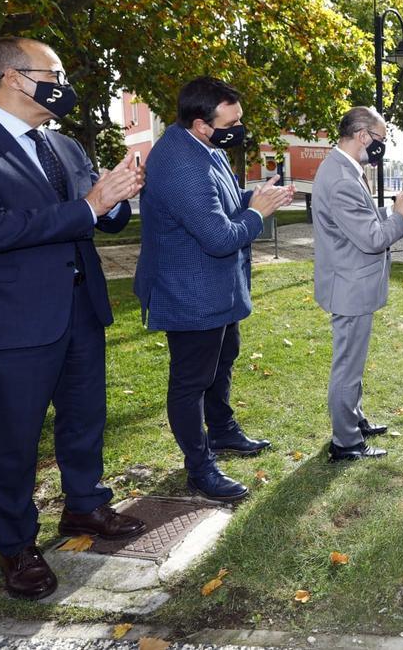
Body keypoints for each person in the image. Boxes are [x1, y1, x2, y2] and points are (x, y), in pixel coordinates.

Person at [0, 36, 146, 600]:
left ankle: (85, 506)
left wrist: (114, 198)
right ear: (14, 78)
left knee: (84, 417)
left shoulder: (64, 145)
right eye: (55, 73)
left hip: (79, 307)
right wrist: (89, 206)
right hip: (10, 320)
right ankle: (16, 545)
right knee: (14, 439)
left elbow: (102, 218)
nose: (63, 84)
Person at [134, 77, 294, 502]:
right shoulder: (179, 162)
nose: (240, 127)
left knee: (222, 363)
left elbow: (219, 203)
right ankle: (199, 466)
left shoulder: (208, 149)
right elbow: (219, 236)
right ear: (202, 123)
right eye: (233, 120)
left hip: (218, 289)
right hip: (189, 294)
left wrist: (257, 197)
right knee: (191, 381)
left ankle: (222, 431)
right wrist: (258, 214)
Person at [313, 106, 403, 461]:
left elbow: (358, 224)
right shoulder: (343, 178)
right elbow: (373, 239)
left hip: (350, 282)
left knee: (353, 363)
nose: (382, 146)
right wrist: (399, 216)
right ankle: (346, 442)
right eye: (381, 138)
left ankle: (354, 419)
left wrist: (390, 210)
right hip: (349, 286)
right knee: (347, 367)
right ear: (363, 136)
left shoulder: (344, 168)